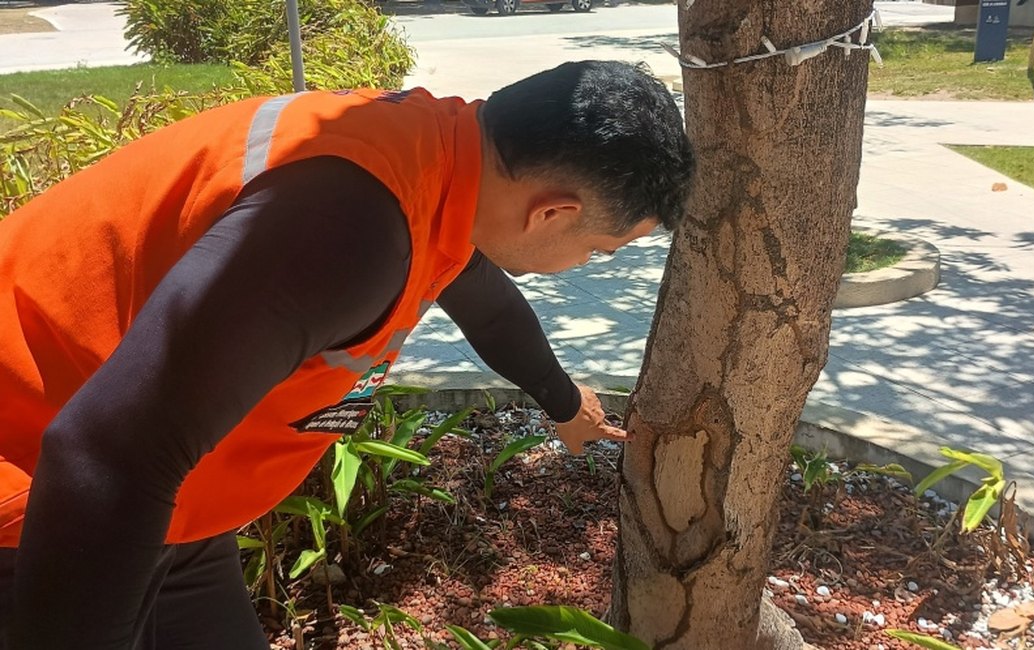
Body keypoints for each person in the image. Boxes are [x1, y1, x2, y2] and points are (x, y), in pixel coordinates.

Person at [0, 59, 694, 648]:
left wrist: (566, 405)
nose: (581, 264)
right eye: (596, 250)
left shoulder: (437, 163)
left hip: (169, 507)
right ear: (553, 213)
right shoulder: (347, 230)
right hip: (52, 503)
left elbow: (486, 303)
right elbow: (105, 456)